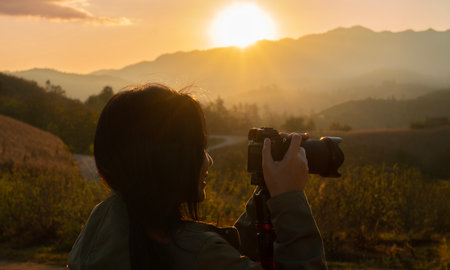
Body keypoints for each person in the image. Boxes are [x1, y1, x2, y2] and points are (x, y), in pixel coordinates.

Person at [68, 83, 328, 270]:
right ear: (169, 159)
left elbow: (227, 256)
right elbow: (204, 254)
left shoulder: (105, 224)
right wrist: (288, 199)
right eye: (199, 148)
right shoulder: (197, 252)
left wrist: (266, 191)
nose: (208, 160)